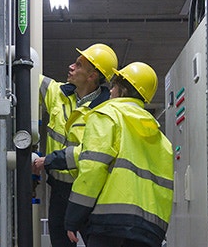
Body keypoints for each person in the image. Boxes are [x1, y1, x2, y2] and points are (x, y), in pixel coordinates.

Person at [64, 62, 174, 247]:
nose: (111, 91)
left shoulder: (107, 115)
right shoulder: (162, 140)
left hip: (110, 226)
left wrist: (73, 217)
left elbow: (92, 168)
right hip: (149, 232)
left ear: (120, 89)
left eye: (114, 86)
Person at [37, 43, 118, 247]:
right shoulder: (58, 94)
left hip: (92, 193)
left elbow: (93, 154)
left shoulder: (108, 110)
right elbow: (27, 74)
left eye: (79, 65)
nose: (71, 67)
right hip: (58, 191)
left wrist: (51, 160)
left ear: (92, 76)